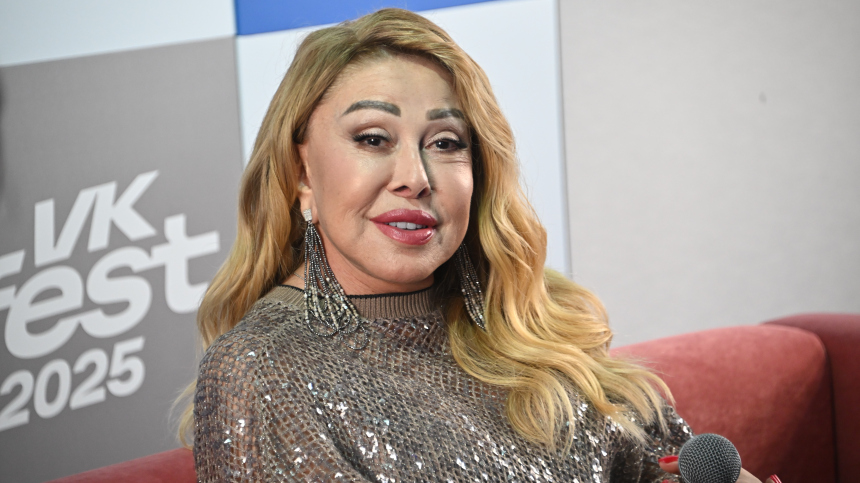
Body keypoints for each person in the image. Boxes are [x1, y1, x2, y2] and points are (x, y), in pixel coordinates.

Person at [181, 8, 774, 483]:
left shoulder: (527, 318)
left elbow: (661, 460)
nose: (415, 177)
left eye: (444, 142)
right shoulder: (260, 371)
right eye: (373, 138)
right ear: (302, 174)